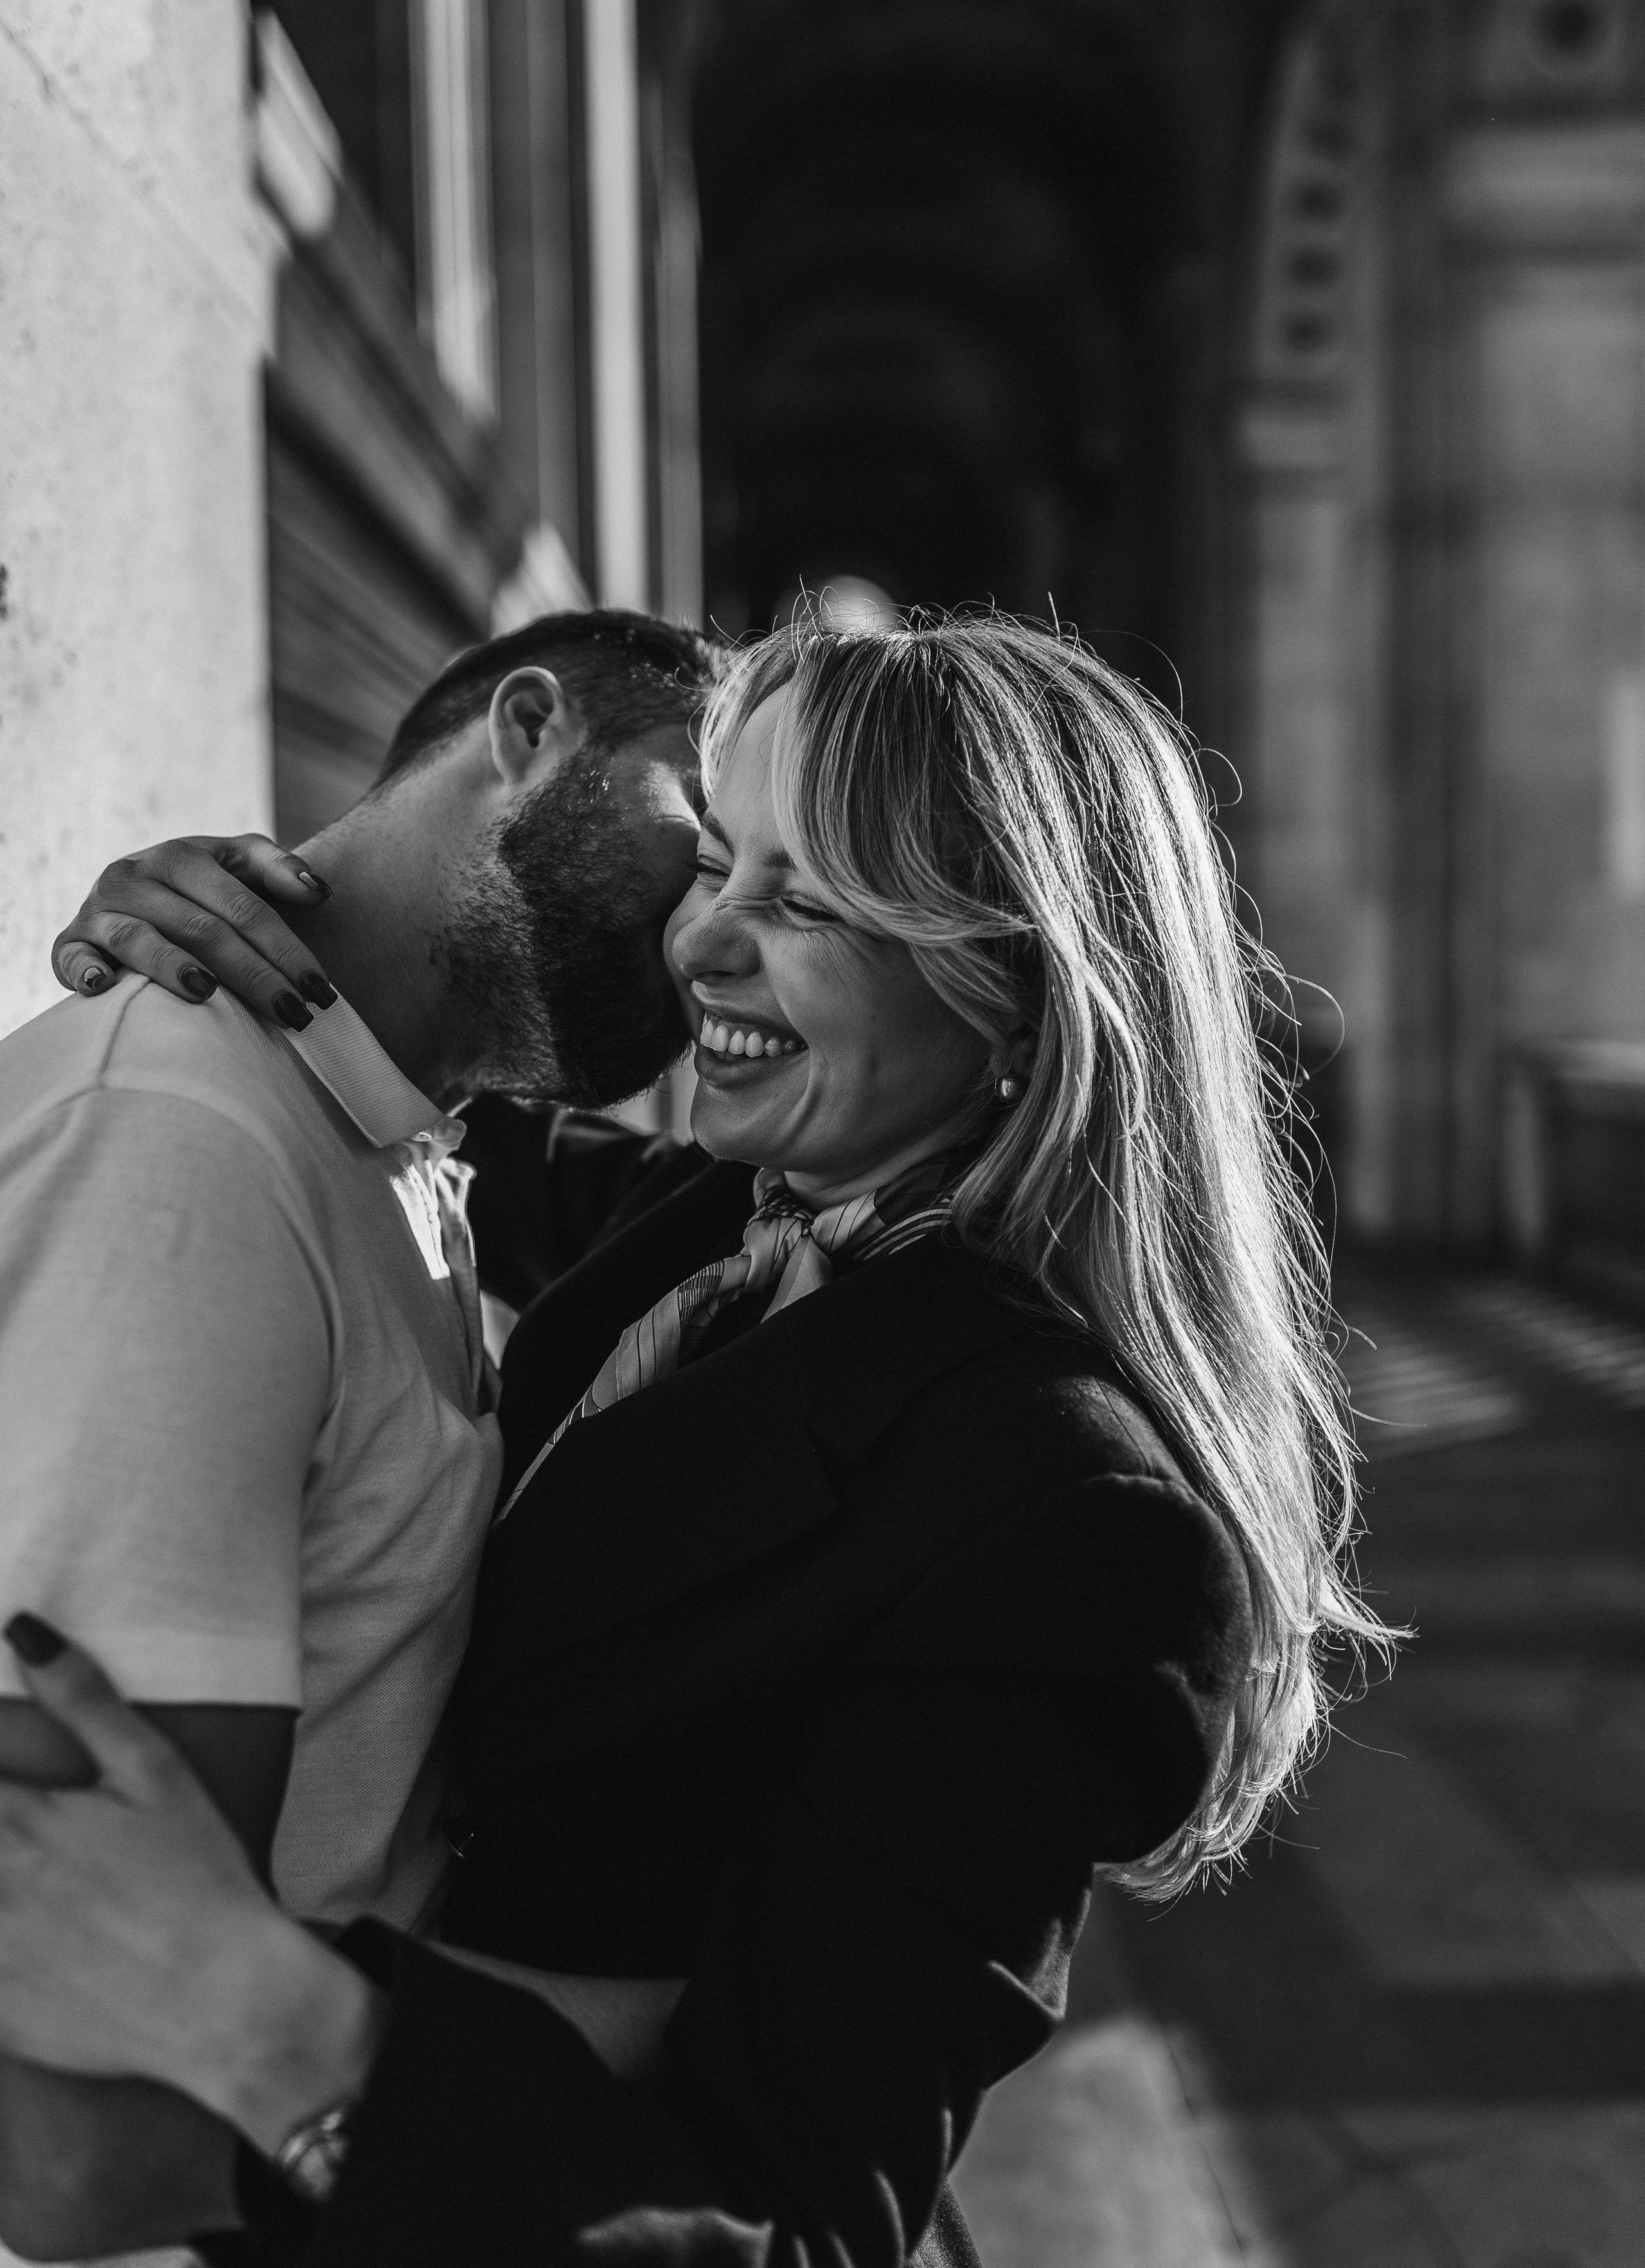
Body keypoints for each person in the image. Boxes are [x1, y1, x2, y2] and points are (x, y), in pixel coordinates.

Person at [0, 610, 1389, 2268]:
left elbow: (793, 2223)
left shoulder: (1072, 1517)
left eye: (804, 902)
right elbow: (415, 1080)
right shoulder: (726, 1212)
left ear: (1013, 997)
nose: (700, 947)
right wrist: (219, 908)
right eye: (721, 861)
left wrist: (270, 2028)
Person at [0, 609, 716, 2258]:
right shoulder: (183, 1156)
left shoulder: (404, 1137)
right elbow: (71, 2136)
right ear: (528, 730)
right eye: (705, 837)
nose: (713, 931)